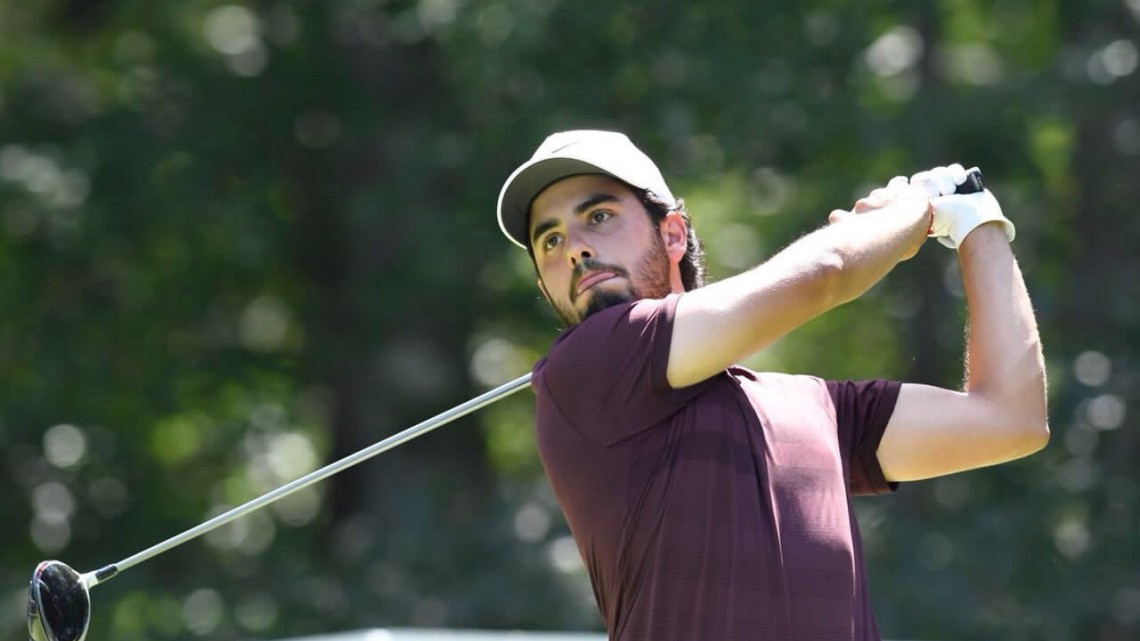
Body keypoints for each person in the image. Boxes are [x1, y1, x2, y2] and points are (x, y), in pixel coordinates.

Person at [495, 130, 1049, 640]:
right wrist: (913, 211)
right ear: (546, 288)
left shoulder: (817, 407)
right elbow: (828, 272)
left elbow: (1010, 418)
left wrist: (979, 224)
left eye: (597, 216)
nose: (574, 248)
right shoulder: (586, 367)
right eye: (550, 241)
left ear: (672, 232)